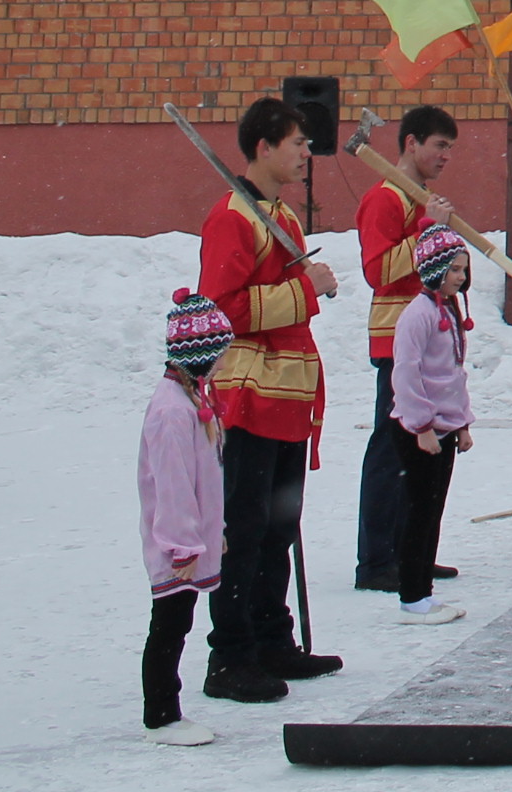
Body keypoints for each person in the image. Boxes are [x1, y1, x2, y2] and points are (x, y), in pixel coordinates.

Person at [197, 95, 343, 702]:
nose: (307, 154)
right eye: (297, 144)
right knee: (246, 527)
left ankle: (271, 637)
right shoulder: (232, 218)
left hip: (287, 394)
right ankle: (229, 656)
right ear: (264, 147)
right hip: (250, 395)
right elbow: (221, 311)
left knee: (280, 526)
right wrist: (305, 290)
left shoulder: (280, 217)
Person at [354, 105, 460, 593]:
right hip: (398, 336)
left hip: (432, 337)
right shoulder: (385, 199)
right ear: (412, 143)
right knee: (392, 448)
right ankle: (377, 560)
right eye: (439, 145)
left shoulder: (421, 200)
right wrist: (425, 231)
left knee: (426, 451)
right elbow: (377, 271)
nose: (444, 157)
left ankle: (412, 551)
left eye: (449, 149)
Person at [138, 290, 234, 745]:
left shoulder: (193, 399)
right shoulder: (172, 412)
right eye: (219, 355)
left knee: (180, 622)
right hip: (176, 546)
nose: (223, 364)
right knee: (170, 625)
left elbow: (206, 480)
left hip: (195, 540)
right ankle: (161, 714)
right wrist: (185, 546)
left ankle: (165, 709)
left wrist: (216, 533)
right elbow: (173, 488)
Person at [388, 224, 476, 627]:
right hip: (418, 429)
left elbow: (453, 374)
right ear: (434, 269)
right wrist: (421, 424)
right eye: (454, 269)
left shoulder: (448, 311)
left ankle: (423, 589)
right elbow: (406, 373)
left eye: (463, 270)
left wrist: (461, 423)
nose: (460, 277)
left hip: (443, 427)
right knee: (418, 510)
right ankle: (411, 595)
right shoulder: (418, 314)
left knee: (433, 510)